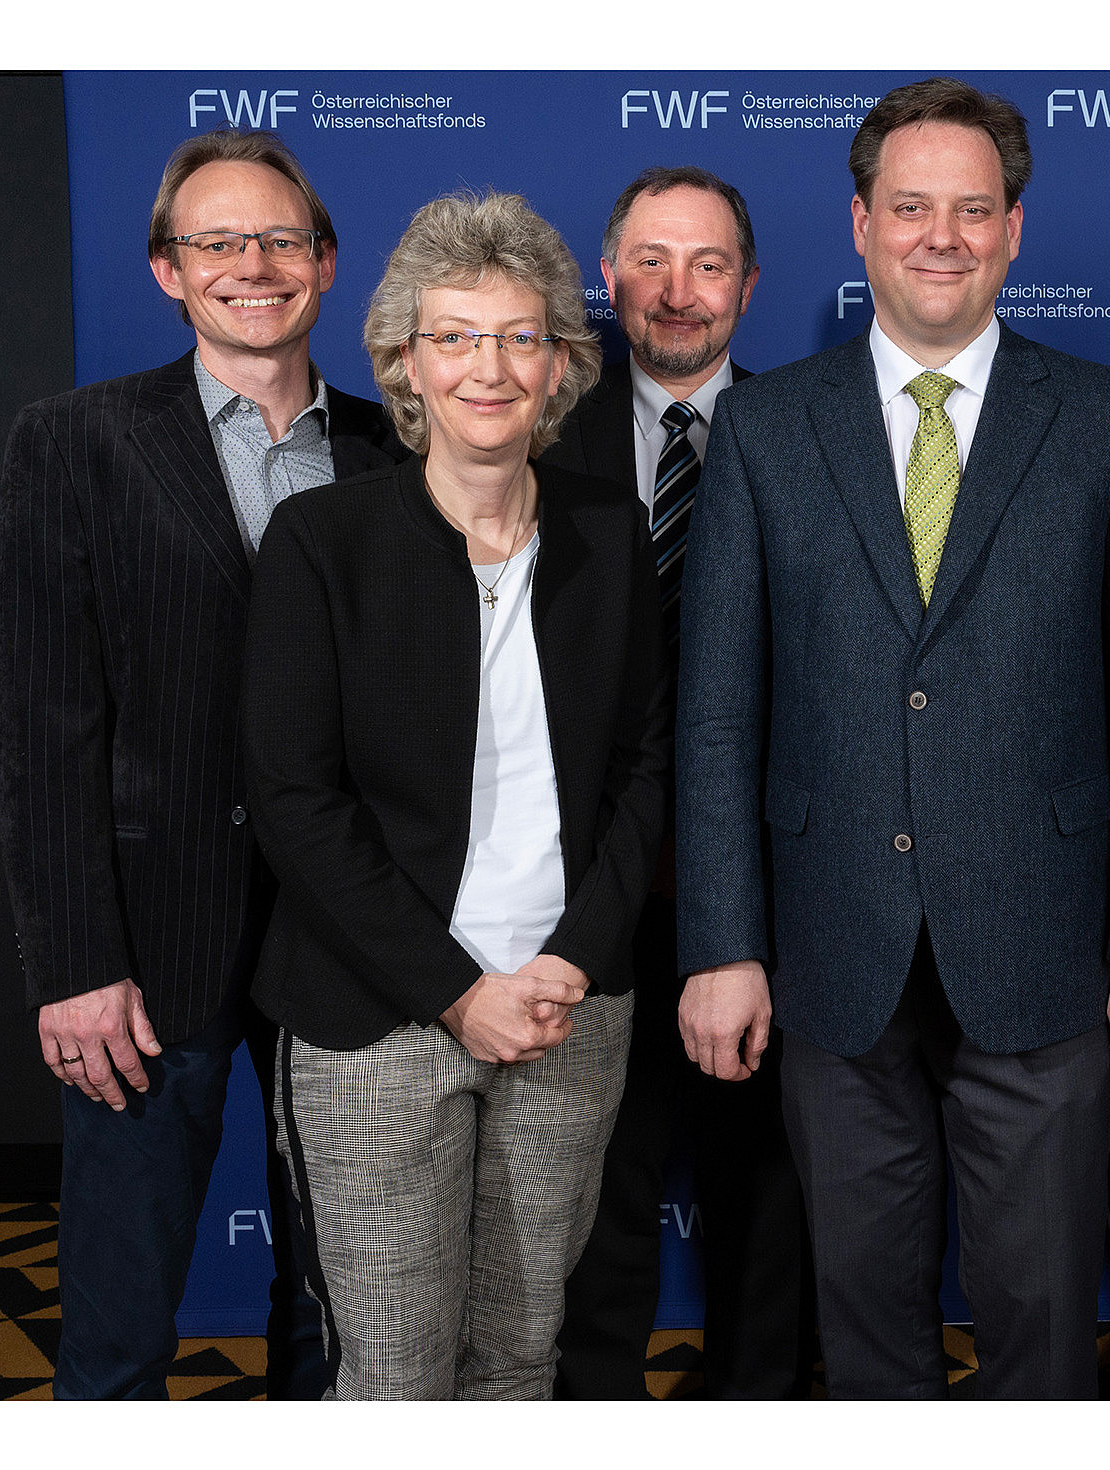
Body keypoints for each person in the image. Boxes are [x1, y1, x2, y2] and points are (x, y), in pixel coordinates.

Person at [674, 76, 1110, 1399]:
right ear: (859, 223)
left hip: (1045, 951)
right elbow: (720, 709)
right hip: (831, 951)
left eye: (974, 210)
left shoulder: (1109, 420)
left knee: (1041, 1326)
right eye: (910, 206)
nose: (941, 236)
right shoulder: (763, 426)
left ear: (1014, 230)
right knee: (864, 1325)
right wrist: (724, 945)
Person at [240, 189, 668, 1400]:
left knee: (519, 1359)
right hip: (376, 1023)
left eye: (520, 337)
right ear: (404, 366)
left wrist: (571, 961)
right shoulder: (322, 542)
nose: (489, 366)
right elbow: (292, 799)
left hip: (566, 1010)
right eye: (455, 337)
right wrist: (454, 992)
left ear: (559, 368)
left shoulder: (608, 532)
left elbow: (644, 764)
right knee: (393, 1371)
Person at [0, 129, 403, 1399]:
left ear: (327, 264)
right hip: (144, 944)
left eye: (281, 239)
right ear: (169, 271)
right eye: (217, 242)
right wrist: (73, 962)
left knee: (335, 1306)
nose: (253, 265)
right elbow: (44, 722)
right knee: (118, 1320)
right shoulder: (74, 442)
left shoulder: (399, 454)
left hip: (344, 936)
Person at [545, 165, 816, 1400]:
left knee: (763, 1187)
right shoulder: (538, 438)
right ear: (607, 279)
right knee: (591, 1189)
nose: (677, 291)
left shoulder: (815, 438)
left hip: (766, 887)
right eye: (650, 260)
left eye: (708, 265)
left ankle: (756, 1408)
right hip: (580, 889)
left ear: (750, 288)